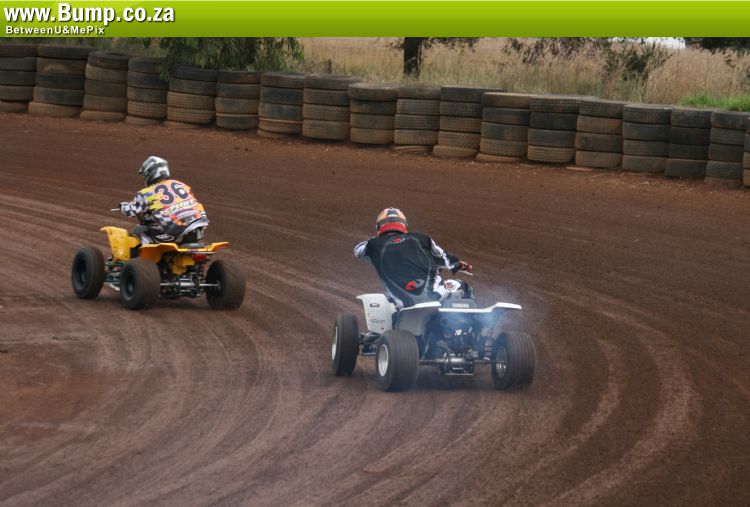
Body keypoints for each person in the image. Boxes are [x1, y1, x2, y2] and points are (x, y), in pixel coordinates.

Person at [354, 207, 473, 308]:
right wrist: (459, 264)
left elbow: (357, 250)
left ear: (379, 227)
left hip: (402, 303)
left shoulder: (373, 245)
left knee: (387, 299)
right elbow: (444, 258)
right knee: (463, 286)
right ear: (404, 224)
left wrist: (378, 242)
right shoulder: (421, 238)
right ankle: (471, 323)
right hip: (434, 296)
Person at [119, 156, 209, 245]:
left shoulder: (147, 192)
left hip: (175, 232)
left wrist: (122, 206)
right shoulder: (181, 185)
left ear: (151, 173)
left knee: (140, 230)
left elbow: (132, 210)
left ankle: (141, 252)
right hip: (198, 227)